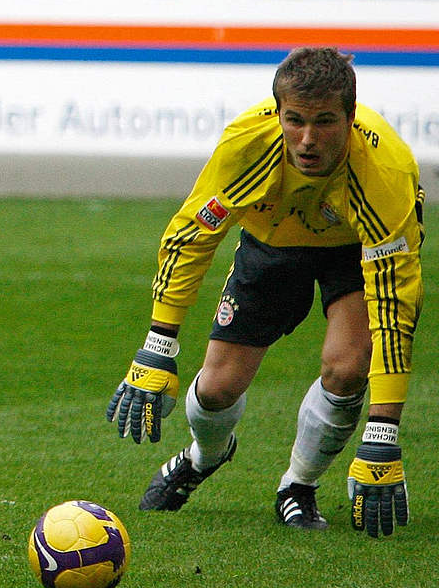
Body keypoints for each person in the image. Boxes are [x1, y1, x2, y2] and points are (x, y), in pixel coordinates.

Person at [105, 47, 422, 537]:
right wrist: (158, 344)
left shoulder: (387, 173)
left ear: (350, 117)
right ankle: (204, 456)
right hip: (272, 244)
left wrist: (383, 430)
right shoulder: (247, 144)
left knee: (348, 366)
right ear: (277, 114)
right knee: (215, 390)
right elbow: (192, 235)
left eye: (324, 122)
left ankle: (299, 486)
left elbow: (395, 305)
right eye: (294, 121)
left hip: (354, 251)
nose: (307, 140)